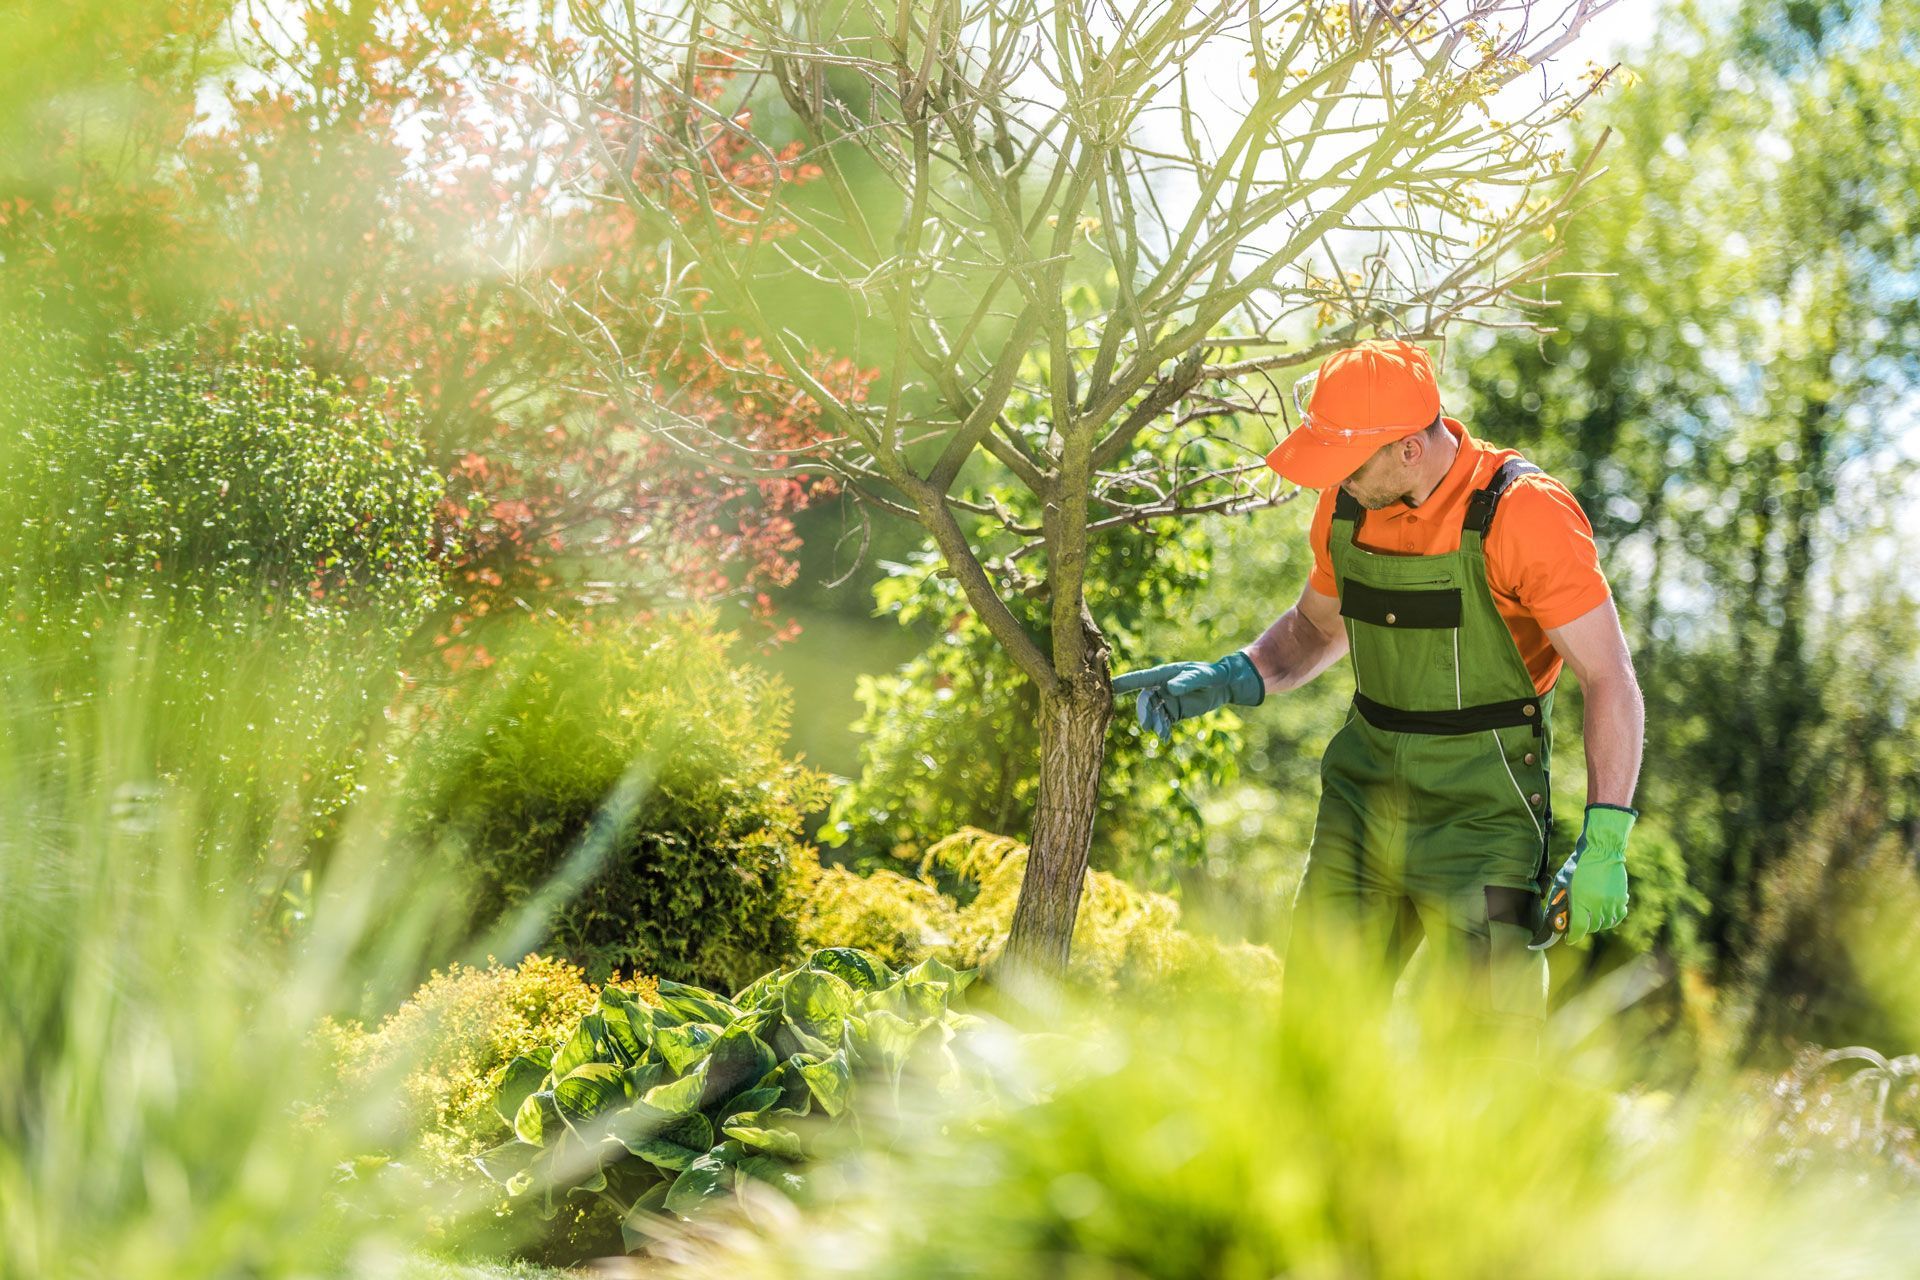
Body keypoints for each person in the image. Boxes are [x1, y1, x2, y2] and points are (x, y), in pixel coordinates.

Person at [1114, 338, 1645, 1043]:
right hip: (1361, 804)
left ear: (1408, 451)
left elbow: (1608, 677)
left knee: (1485, 1057)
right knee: (1316, 1037)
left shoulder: (1523, 515)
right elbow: (1315, 627)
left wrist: (1606, 837)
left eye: (1347, 463)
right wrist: (1234, 676)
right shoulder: (1347, 506)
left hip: (1482, 820)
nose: (1333, 481)